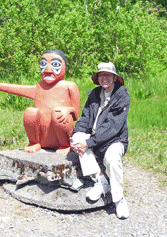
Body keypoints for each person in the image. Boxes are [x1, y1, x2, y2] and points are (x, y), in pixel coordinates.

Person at [0, 50, 80, 153]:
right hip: (43, 137)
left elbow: (76, 115)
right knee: (30, 112)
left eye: (55, 64)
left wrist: (68, 110)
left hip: (61, 132)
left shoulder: (70, 86)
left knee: (58, 113)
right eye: (43, 64)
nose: (47, 69)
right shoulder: (40, 86)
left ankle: (65, 145)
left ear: (64, 67)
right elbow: (10, 88)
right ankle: (34, 142)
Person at [70, 62, 130, 219]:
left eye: (108, 75)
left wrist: (89, 143)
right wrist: (75, 135)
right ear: (98, 78)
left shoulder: (122, 96)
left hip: (115, 140)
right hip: (95, 137)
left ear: (114, 78)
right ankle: (101, 180)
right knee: (77, 139)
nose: (105, 78)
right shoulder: (94, 95)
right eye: (102, 75)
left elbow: (113, 127)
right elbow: (84, 119)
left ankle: (119, 199)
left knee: (111, 158)